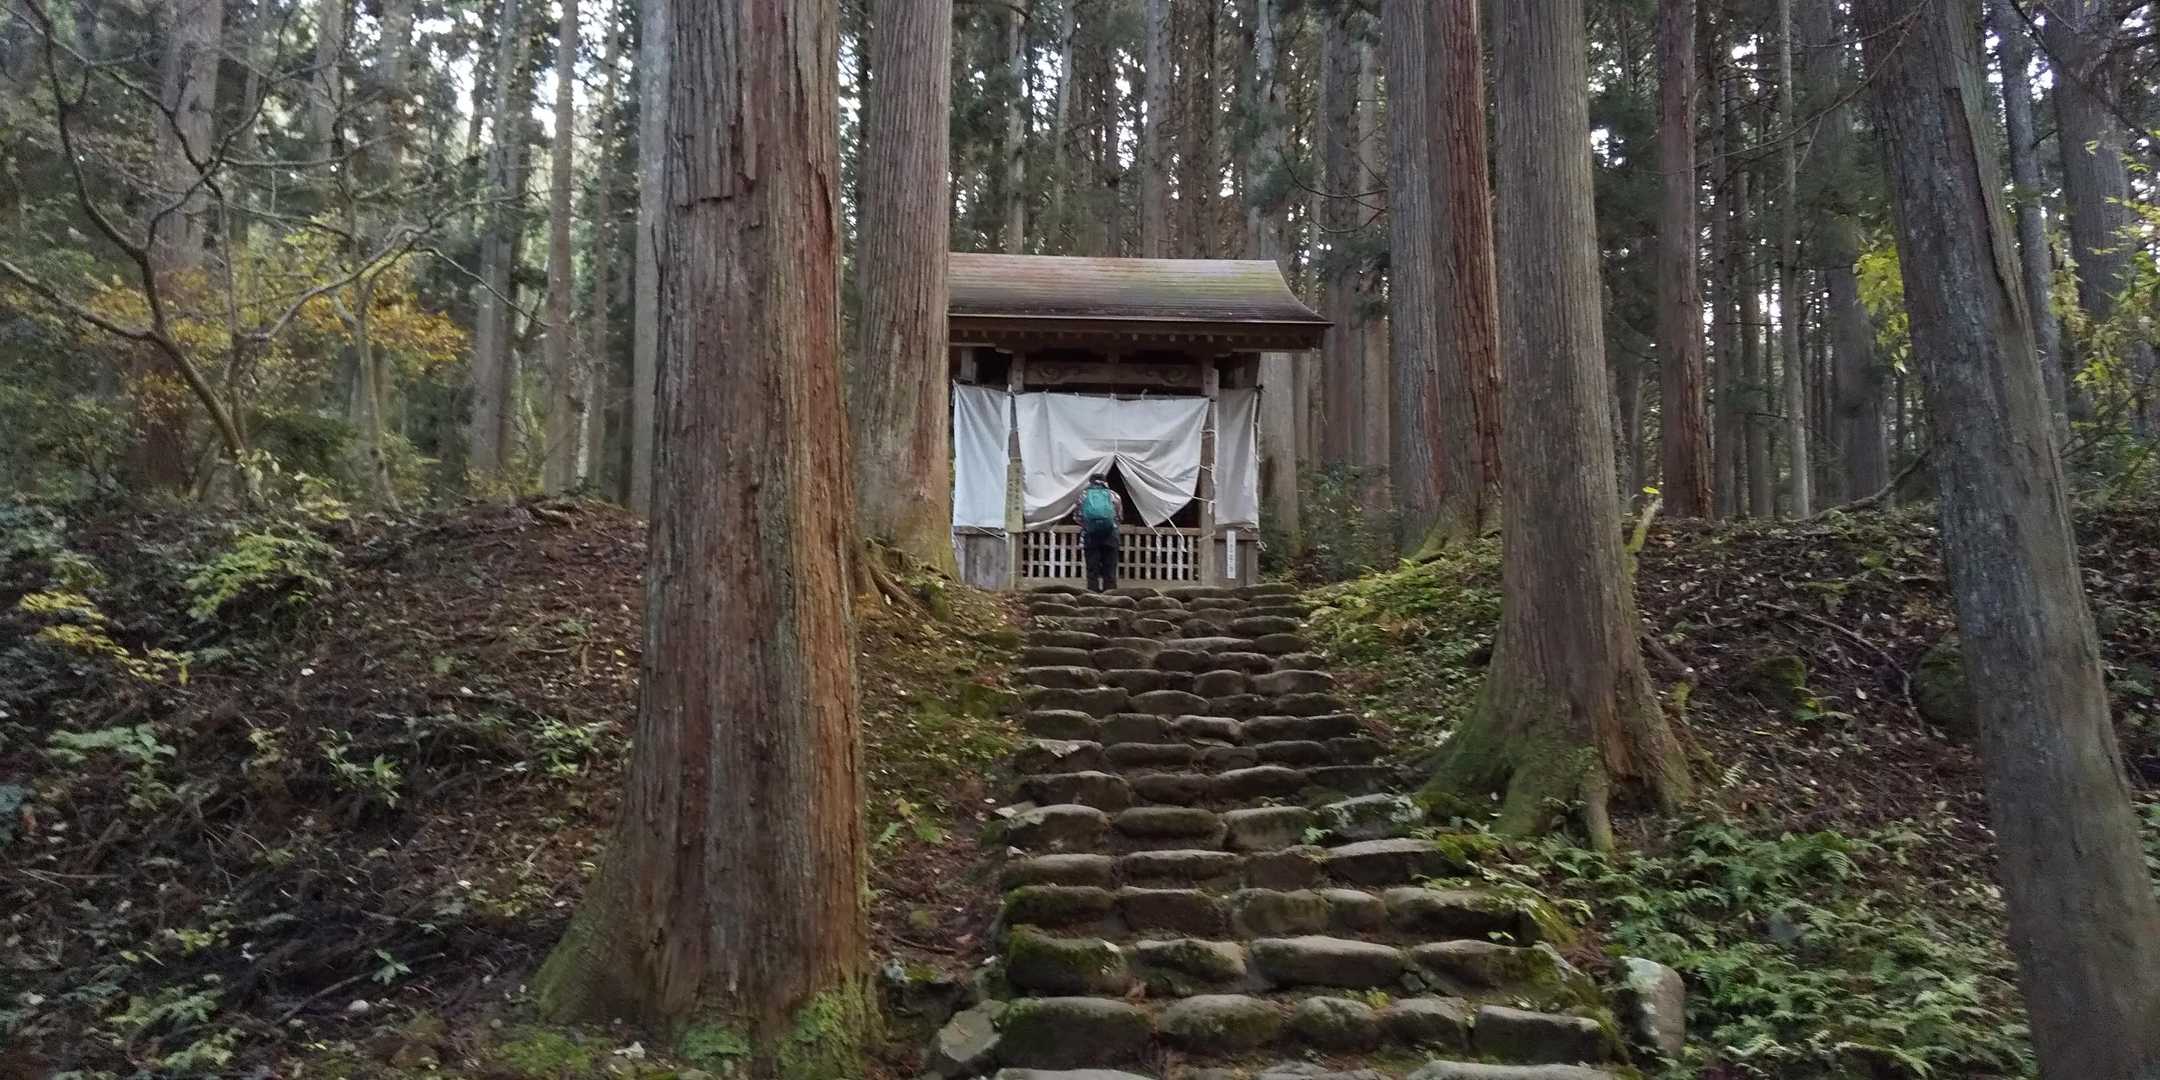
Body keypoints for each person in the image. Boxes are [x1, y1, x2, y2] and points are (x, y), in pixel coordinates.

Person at [1072, 473, 1124, 592]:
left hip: (1090, 535)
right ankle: (1110, 594)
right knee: (1110, 568)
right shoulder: (1113, 495)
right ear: (1105, 482)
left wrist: (1088, 525)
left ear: (1090, 482)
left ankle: (1092, 594)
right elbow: (1119, 516)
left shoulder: (1083, 495)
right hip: (1111, 535)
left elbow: (1077, 516)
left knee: (1092, 568)